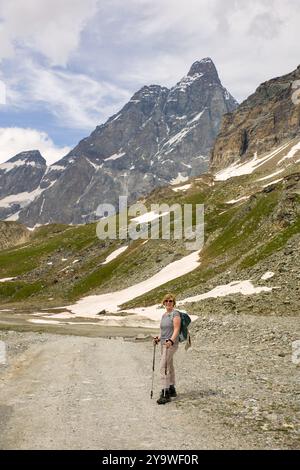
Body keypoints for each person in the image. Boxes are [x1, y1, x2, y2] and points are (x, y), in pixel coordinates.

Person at [153, 293, 181, 405]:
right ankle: (171, 388)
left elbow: (176, 329)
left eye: (170, 301)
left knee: (163, 366)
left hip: (171, 344)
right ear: (164, 303)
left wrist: (171, 341)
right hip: (163, 344)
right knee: (169, 365)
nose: (168, 303)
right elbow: (163, 331)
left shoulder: (175, 314)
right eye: (166, 301)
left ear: (173, 303)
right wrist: (158, 338)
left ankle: (165, 393)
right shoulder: (164, 315)